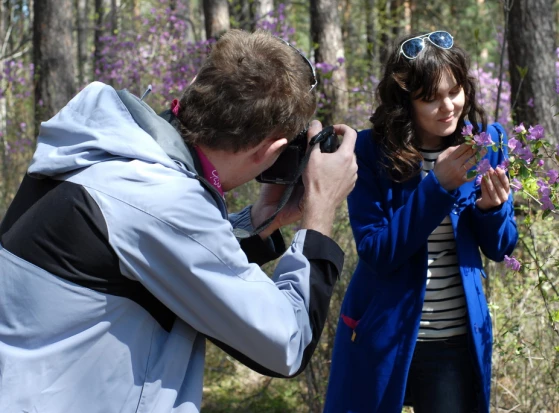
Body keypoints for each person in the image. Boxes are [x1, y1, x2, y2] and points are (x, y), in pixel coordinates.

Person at [0, 30, 358, 412]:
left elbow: (155, 264)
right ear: (271, 149)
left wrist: (259, 221)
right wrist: (319, 214)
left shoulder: (103, 150)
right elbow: (287, 343)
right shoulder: (163, 200)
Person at [324, 31, 518, 413]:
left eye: (455, 91)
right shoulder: (370, 150)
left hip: (452, 338)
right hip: (384, 331)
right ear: (405, 101)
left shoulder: (486, 141)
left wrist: (492, 210)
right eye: (430, 98)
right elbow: (377, 252)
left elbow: (501, 247)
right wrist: (437, 187)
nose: (448, 107)